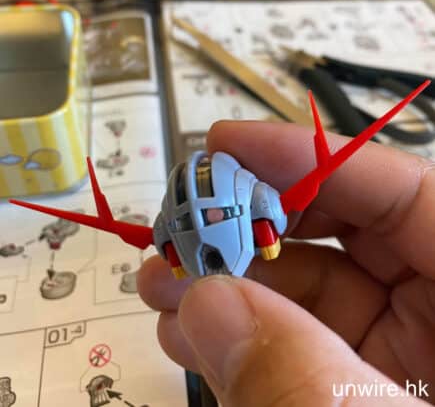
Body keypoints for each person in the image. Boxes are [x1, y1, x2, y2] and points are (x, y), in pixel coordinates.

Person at [138, 120, 435, 406]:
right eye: (190, 222)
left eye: (214, 216)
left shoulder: (249, 192)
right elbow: (165, 233)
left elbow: (267, 208)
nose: (204, 228)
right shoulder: (174, 219)